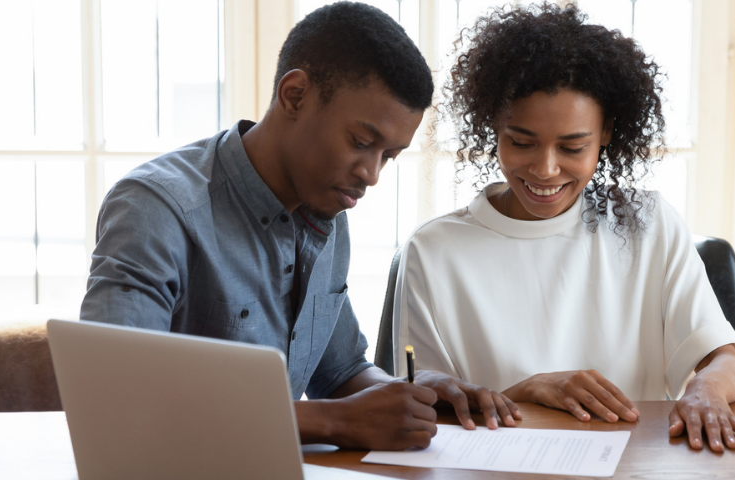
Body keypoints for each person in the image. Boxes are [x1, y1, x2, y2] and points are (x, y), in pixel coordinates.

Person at [80, 2, 496, 451]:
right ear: (294, 95)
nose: (372, 174)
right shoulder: (157, 207)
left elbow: (340, 374)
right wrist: (333, 422)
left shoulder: (327, 211)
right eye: (361, 142)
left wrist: (412, 395)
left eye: (388, 156)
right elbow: (116, 398)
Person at [392, 3, 735, 452]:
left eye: (572, 146)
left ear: (605, 133)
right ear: (493, 128)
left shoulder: (646, 225)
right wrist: (526, 390)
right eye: (521, 142)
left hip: (630, 464)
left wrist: (706, 389)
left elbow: (727, 362)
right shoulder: (433, 251)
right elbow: (422, 400)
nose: (545, 169)